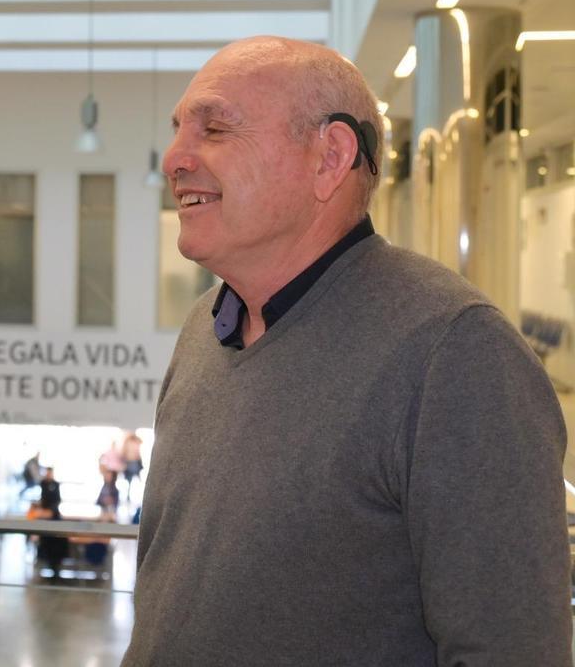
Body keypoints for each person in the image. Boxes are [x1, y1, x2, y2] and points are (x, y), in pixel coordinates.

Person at [123, 36, 570, 665]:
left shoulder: (456, 353)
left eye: (216, 128)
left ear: (329, 157)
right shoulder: (205, 327)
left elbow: (512, 649)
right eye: (178, 131)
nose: (174, 158)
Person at [120, 430, 143, 502]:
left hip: (133, 463)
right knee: (130, 481)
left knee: (135, 481)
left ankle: (135, 496)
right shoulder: (128, 443)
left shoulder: (132, 443)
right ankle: (128, 497)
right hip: (130, 463)